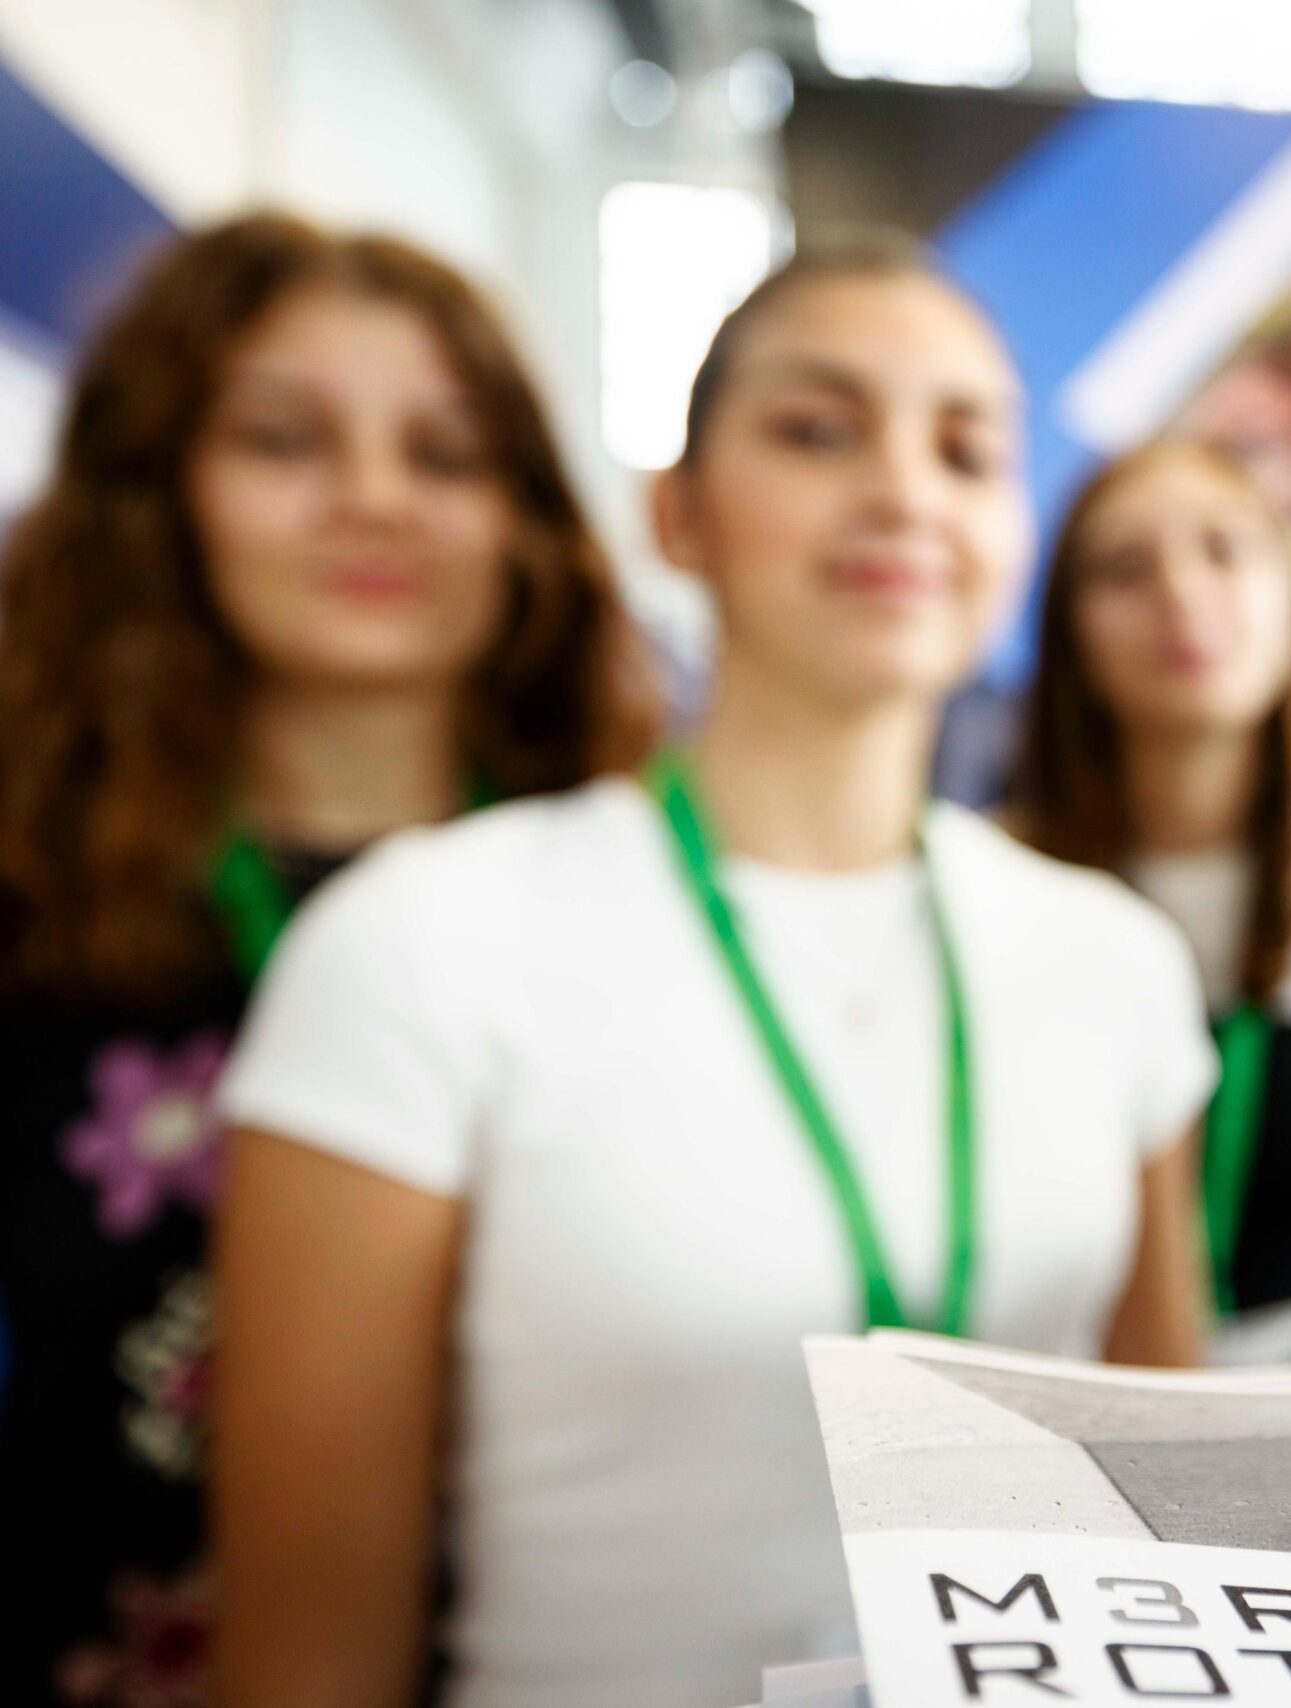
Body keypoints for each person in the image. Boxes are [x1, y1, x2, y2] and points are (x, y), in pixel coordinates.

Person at [208, 241, 1216, 1708]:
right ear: (675, 513)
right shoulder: (420, 941)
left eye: (965, 449)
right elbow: (309, 1656)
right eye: (818, 430)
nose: (904, 491)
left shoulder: (1113, 959)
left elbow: (1178, 1538)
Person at [0, 213, 658, 1707]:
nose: (372, 499)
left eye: (446, 453)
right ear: (158, 495)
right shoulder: (32, 915)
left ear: (524, 519)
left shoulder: (660, 919)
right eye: (284, 440)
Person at [1011, 440, 1291, 1360]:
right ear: (1065, 628)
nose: (1182, 595)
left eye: (1225, 550)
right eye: (1124, 569)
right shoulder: (994, 891)